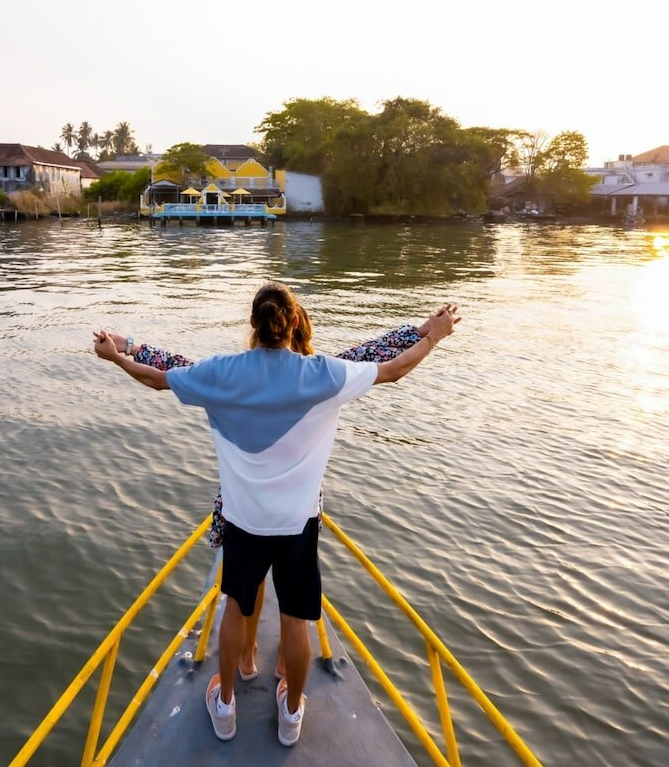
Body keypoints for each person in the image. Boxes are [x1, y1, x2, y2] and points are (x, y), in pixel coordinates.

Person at [94, 283, 459, 747]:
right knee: (296, 619)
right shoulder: (324, 375)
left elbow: (158, 376)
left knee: (235, 610)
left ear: (253, 325)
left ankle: (225, 703)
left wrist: (120, 356)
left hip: (244, 522)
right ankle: (290, 714)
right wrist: (433, 336)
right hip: (298, 525)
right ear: (293, 323)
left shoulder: (221, 373)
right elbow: (391, 369)